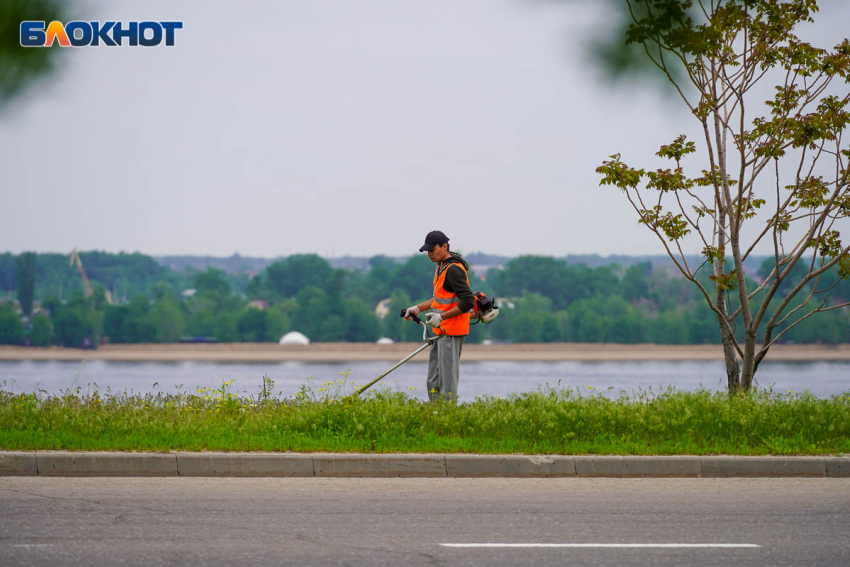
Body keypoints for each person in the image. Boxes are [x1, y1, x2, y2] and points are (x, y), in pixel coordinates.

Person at [404, 230, 474, 401]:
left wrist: (441, 317)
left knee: (447, 383)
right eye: (427, 251)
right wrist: (417, 308)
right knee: (433, 381)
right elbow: (439, 298)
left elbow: (468, 301)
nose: (429, 254)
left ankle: (448, 418)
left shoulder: (454, 270)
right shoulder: (441, 267)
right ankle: (436, 416)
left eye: (432, 250)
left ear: (444, 246)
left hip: (452, 332)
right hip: (440, 331)